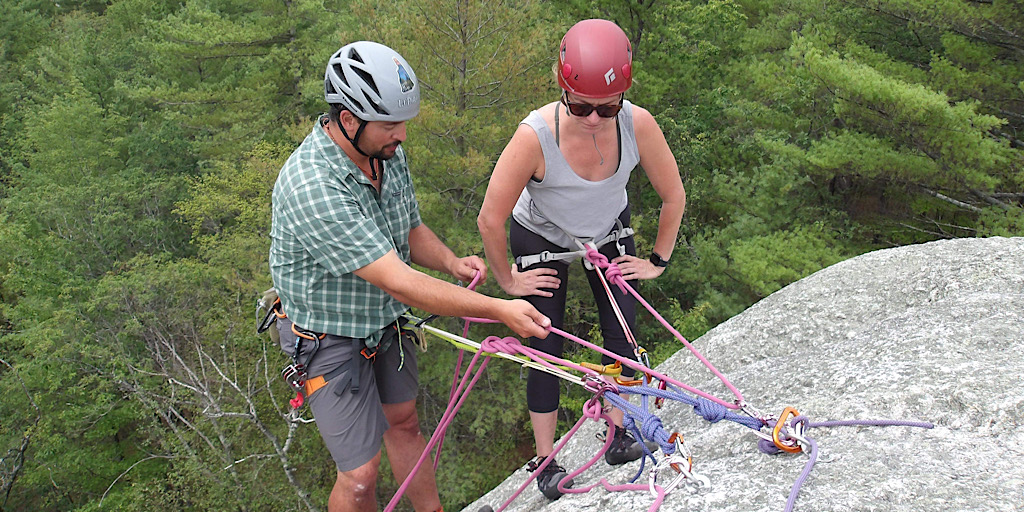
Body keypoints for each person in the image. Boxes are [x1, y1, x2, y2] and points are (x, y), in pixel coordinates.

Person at [270, 41, 550, 512]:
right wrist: (500, 310)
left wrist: (450, 262)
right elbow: (397, 279)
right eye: (390, 124)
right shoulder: (311, 185)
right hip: (328, 335)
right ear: (348, 119)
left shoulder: (384, 154)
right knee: (360, 477)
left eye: (402, 122)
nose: (401, 135)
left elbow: (409, 228)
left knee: (404, 424)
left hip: (384, 322)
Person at [477, 19, 686, 500]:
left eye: (607, 107)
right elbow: (491, 218)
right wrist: (509, 282)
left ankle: (616, 434)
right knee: (544, 344)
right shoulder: (535, 136)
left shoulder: (638, 125)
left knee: (622, 336)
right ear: (561, 86)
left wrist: (658, 260)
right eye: (580, 105)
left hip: (608, 229)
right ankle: (546, 458)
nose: (593, 118)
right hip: (542, 236)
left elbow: (673, 196)